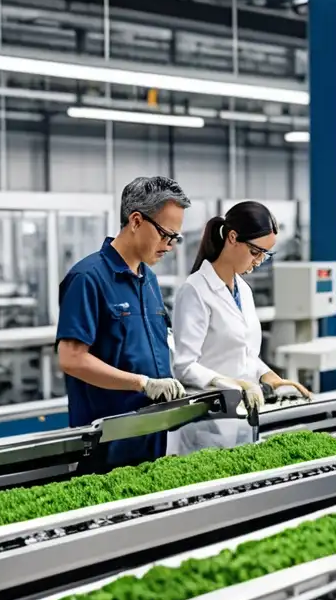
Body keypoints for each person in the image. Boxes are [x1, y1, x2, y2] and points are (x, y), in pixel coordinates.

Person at [56, 176, 191, 468]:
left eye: (175, 239)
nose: (169, 246)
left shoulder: (149, 280)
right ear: (136, 220)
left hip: (152, 436)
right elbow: (71, 359)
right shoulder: (87, 279)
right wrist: (142, 383)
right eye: (166, 235)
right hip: (107, 444)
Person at [168, 200, 312, 455]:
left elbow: (244, 353)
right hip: (207, 424)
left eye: (266, 255)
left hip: (245, 417)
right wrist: (234, 384)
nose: (259, 261)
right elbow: (184, 366)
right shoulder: (195, 290)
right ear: (232, 238)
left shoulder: (243, 290)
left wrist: (270, 377)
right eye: (256, 252)